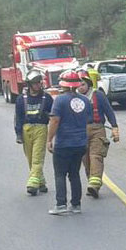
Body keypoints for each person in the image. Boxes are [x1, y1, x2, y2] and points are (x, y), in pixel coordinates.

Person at [46, 70, 92, 215]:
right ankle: (76, 205)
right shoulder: (85, 100)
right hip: (80, 143)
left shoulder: (60, 100)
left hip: (64, 143)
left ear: (63, 84)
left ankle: (61, 204)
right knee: (74, 174)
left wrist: (49, 139)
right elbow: (88, 120)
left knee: (60, 174)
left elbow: (54, 120)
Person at [77, 69, 120, 198]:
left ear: (89, 84)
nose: (80, 87)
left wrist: (114, 127)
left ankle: (94, 184)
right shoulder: (75, 99)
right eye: (78, 84)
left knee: (96, 156)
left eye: (83, 84)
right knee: (85, 159)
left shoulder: (98, 96)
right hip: (80, 131)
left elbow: (109, 111)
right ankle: (92, 181)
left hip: (97, 129)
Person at [15, 69, 53, 196]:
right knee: (30, 159)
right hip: (26, 130)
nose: (38, 85)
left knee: (37, 157)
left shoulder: (46, 98)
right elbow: (18, 117)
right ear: (29, 84)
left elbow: (54, 116)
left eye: (39, 82)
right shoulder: (21, 99)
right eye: (35, 83)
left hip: (41, 129)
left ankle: (32, 184)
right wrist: (18, 134)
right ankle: (41, 182)